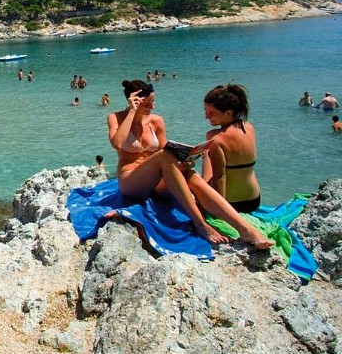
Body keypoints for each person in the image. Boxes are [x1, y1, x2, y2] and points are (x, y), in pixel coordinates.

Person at [107, 79, 272, 248]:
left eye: (153, 102)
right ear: (134, 102)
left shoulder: (156, 121)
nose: (152, 107)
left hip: (157, 183)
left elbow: (166, 151)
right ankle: (200, 223)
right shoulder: (116, 117)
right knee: (164, 157)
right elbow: (117, 143)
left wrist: (183, 162)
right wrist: (132, 112)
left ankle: (246, 230)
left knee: (190, 174)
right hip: (131, 182)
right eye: (148, 104)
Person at [201, 84, 264, 212]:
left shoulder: (215, 138)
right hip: (253, 201)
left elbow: (220, 178)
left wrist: (220, 212)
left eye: (211, 113)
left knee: (205, 152)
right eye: (206, 111)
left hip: (231, 204)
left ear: (228, 113)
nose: (207, 116)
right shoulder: (249, 128)